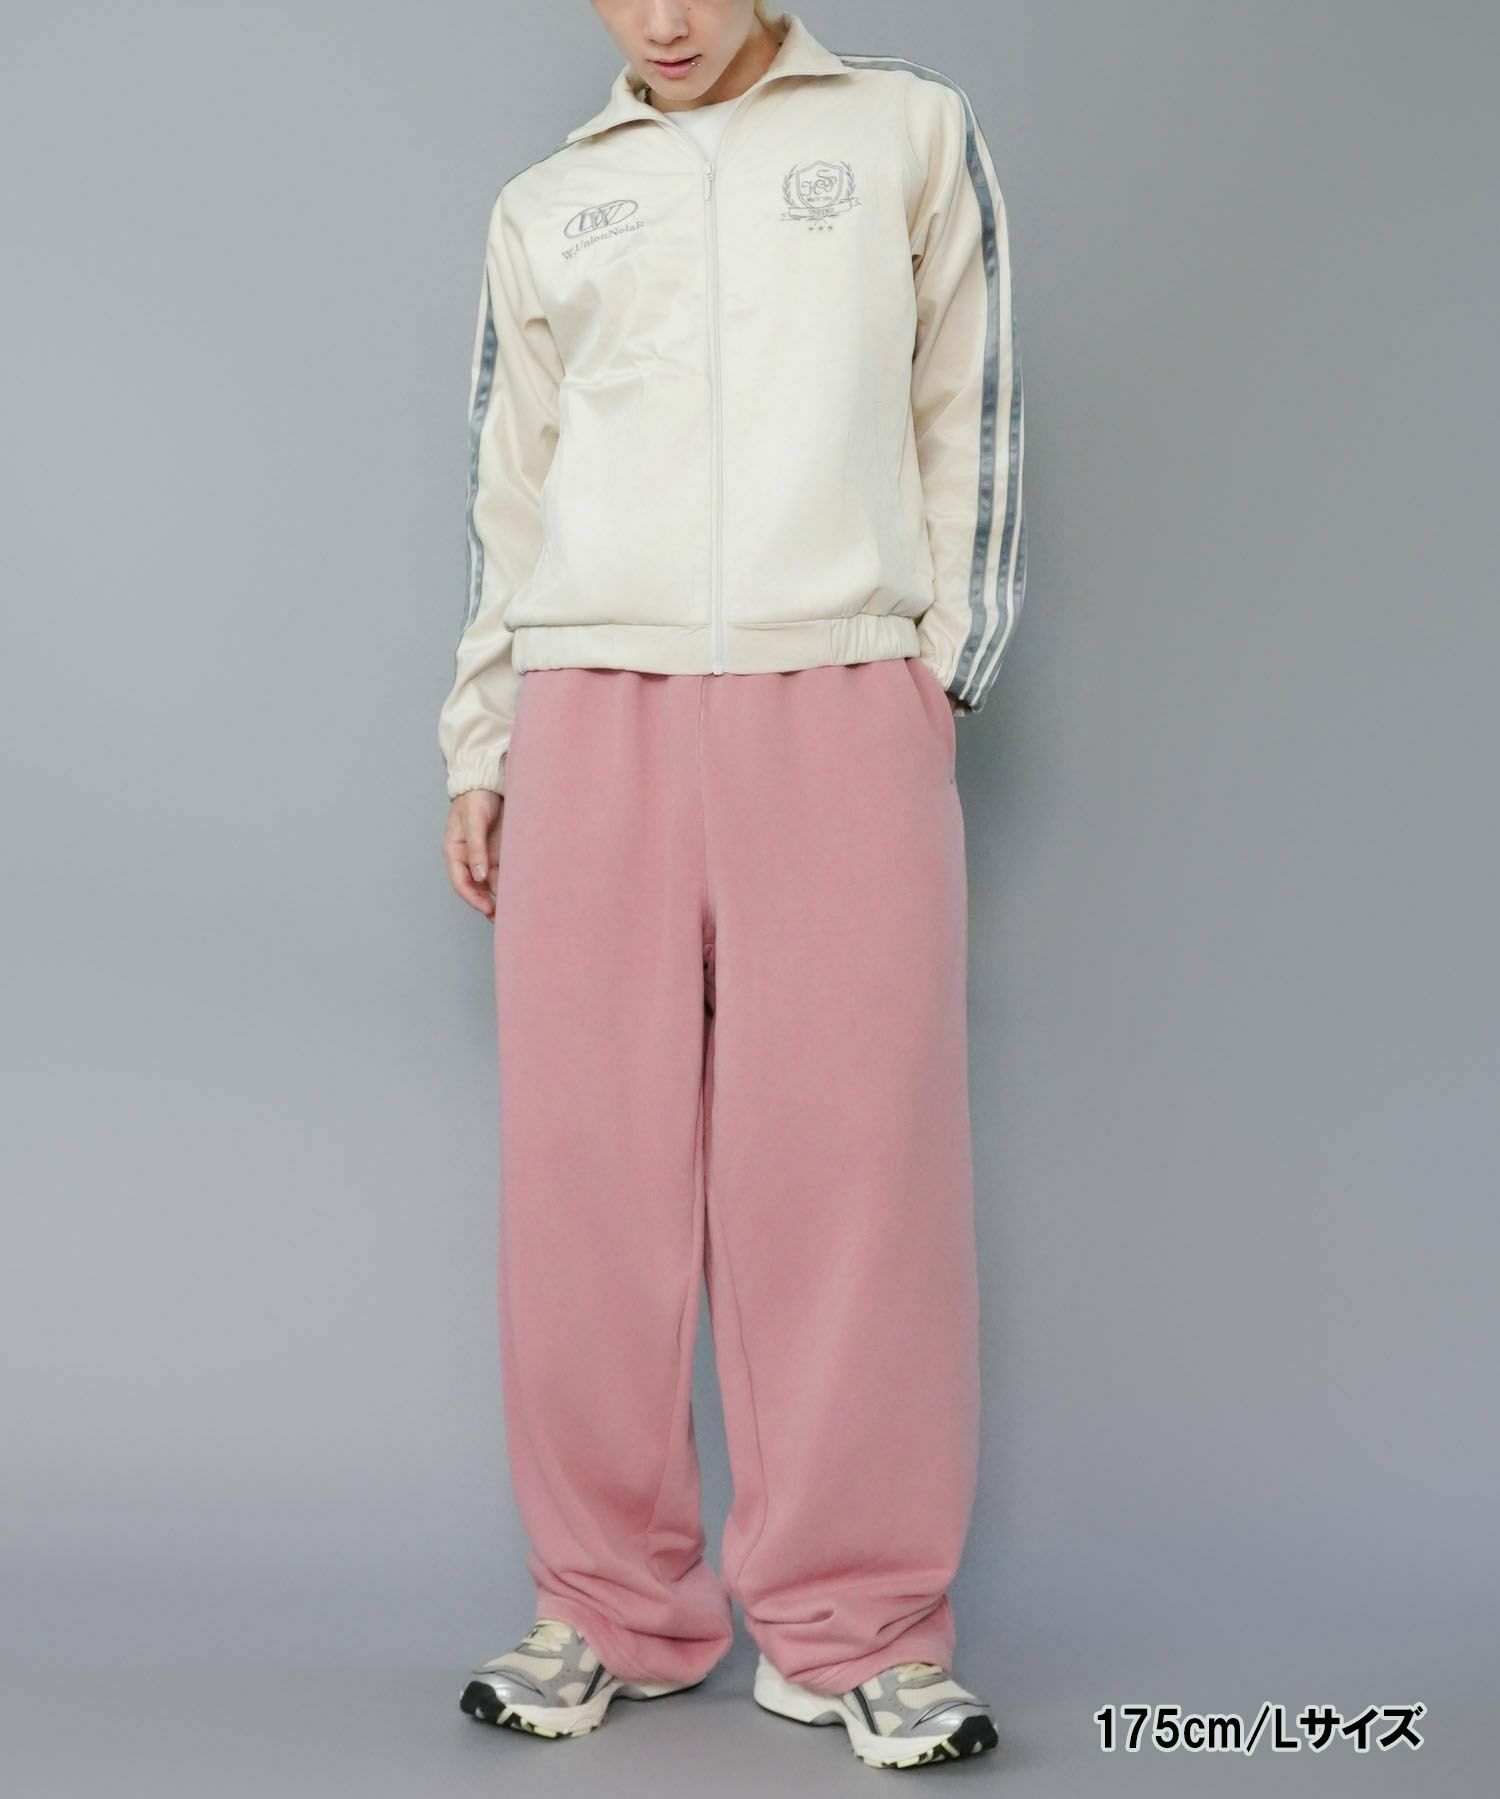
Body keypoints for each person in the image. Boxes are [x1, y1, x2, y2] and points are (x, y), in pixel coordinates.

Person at [439, 1, 1025, 1771]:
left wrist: (940, 671)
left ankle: (861, 1631)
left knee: (853, 1178)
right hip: (587, 704)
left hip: (838, 692)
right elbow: (511, 489)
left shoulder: (908, 133)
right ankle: (609, 1609)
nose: (663, 20)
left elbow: (968, 405)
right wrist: (482, 740)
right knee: (586, 1182)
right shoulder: (548, 201)